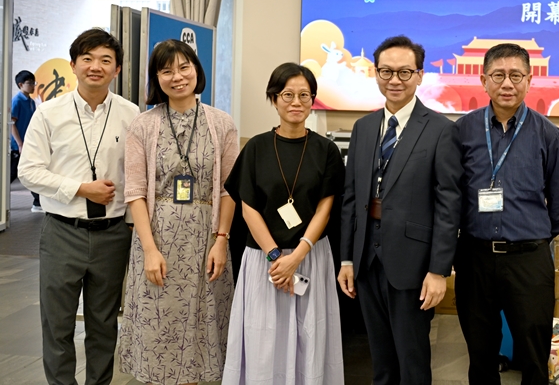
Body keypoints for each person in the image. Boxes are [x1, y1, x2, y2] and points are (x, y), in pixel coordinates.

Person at [338, 35, 462, 385]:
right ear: (376, 73)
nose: (395, 80)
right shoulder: (363, 128)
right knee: (381, 361)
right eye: (386, 71)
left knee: (412, 362)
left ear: (419, 75)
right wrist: (347, 259)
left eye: (405, 72)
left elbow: (449, 204)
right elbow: (351, 198)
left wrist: (438, 270)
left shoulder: (441, 130)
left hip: (414, 264)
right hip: (367, 260)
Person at [18, 28, 140, 385]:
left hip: (113, 235)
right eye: (87, 59)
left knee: (104, 324)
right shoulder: (49, 113)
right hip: (62, 232)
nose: (95, 67)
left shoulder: (130, 114)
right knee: (57, 324)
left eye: (105, 60)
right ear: (73, 65)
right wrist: (81, 189)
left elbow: (137, 176)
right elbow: (28, 171)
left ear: (117, 69)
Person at [118, 39, 239, 385]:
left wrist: (221, 240)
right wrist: (149, 249)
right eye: (166, 70)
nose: (177, 76)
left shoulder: (222, 123)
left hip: (206, 241)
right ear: (157, 78)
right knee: (158, 325)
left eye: (184, 67)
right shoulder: (143, 125)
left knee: (200, 327)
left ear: (196, 70)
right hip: (157, 240)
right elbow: (135, 192)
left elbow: (230, 189)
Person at [454, 42, 559, 385]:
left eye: (516, 75)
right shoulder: (462, 131)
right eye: (498, 75)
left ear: (529, 80)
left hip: (528, 260)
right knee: (480, 354)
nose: (507, 83)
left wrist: (531, 236)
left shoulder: (549, 134)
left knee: (534, 354)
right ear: (483, 80)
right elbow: (452, 193)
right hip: (475, 257)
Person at [223, 62, 346, 384]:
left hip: (310, 257)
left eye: (304, 95)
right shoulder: (256, 148)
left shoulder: (326, 150)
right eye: (287, 94)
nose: (296, 102)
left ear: (313, 100)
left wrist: (298, 256)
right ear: (274, 99)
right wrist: (277, 257)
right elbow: (248, 209)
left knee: (310, 336)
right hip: (264, 260)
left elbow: (325, 209)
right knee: (263, 339)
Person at [10, 69, 41, 212]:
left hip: (28, 144)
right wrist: (20, 144)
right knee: (11, 174)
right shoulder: (17, 101)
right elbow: (12, 124)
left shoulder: (31, 102)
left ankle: (37, 203)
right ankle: (37, 203)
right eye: (30, 83)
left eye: (34, 83)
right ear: (20, 85)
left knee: (30, 172)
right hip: (17, 146)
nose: (33, 86)